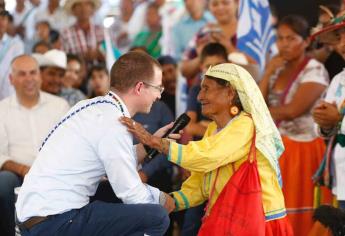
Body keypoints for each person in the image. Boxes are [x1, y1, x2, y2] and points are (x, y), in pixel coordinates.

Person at [120, 63, 292, 235]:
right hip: (230, 220)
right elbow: (201, 183)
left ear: (230, 92)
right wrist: (173, 200)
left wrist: (157, 142)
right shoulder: (212, 129)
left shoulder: (246, 124)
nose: (199, 96)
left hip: (260, 222)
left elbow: (206, 155)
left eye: (206, 89)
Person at [16, 52, 176, 236]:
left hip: (34, 218)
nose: (159, 96)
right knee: (156, 216)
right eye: (158, 88)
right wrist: (161, 199)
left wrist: (151, 143)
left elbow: (115, 160)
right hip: (54, 222)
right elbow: (131, 193)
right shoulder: (113, 122)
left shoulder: (92, 107)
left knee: (110, 192)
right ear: (140, 87)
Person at [259, 15, 331, 236]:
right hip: (276, 150)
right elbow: (256, 100)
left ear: (306, 41)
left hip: (303, 150)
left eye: (291, 38)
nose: (284, 44)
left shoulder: (315, 69)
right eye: (280, 39)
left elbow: (293, 110)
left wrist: (257, 114)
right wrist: (269, 71)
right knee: (274, 211)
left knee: (298, 212)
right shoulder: (277, 69)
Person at [0, 55, 69, 236]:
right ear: (11, 79)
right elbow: (0, 154)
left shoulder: (60, 106)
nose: (29, 79)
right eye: (22, 74)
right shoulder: (2, 110)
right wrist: (23, 169)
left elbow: (70, 147)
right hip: (17, 174)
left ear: (39, 76)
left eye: (33, 73)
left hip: (54, 173)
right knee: (3, 182)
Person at [311, 11, 345, 210]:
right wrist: (323, 122)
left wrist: (338, 120)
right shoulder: (338, 80)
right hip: (341, 175)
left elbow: (336, 118)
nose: (342, 45)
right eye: (339, 38)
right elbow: (323, 127)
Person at [0, 10, 24, 100]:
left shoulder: (16, 44)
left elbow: (17, 68)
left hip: (7, 92)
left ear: (8, 22)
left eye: (3, 18)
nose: (0, 22)